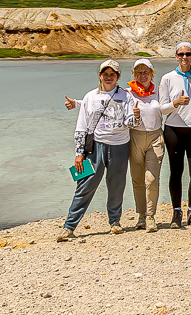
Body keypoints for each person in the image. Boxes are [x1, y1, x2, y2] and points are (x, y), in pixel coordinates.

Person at [57, 59, 134, 241]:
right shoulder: (90, 97)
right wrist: (79, 153)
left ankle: (114, 222)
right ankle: (69, 226)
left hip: (120, 146)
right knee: (86, 184)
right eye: (105, 74)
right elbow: (81, 126)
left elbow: (131, 120)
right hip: (96, 146)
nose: (108, 77)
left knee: (116, 185)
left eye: (112, 74)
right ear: (99, 76)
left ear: (118, 77)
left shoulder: (126, 96)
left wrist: (135, 118)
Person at [158, 42, 191, 228]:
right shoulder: (167, 78)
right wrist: (176, 103)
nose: (184, 57)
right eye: (181, 54)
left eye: (188, 54)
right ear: (176, 56)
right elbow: (162, 109)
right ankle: (176, 212)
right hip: (173, 130)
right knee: (176, 172)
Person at [125, 58, 167, 233]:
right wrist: (77, 104)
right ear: (134, 74)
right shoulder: (127, 93)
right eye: (139, 72)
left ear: (152, 73)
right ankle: (141, 215)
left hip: (156, 136)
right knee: (137, 179)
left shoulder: (160, 90)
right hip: (135, 136)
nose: (143, 75)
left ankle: (150, 216)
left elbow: (171, 106)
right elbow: (102, 101)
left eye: (146, 72)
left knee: (152, 179)